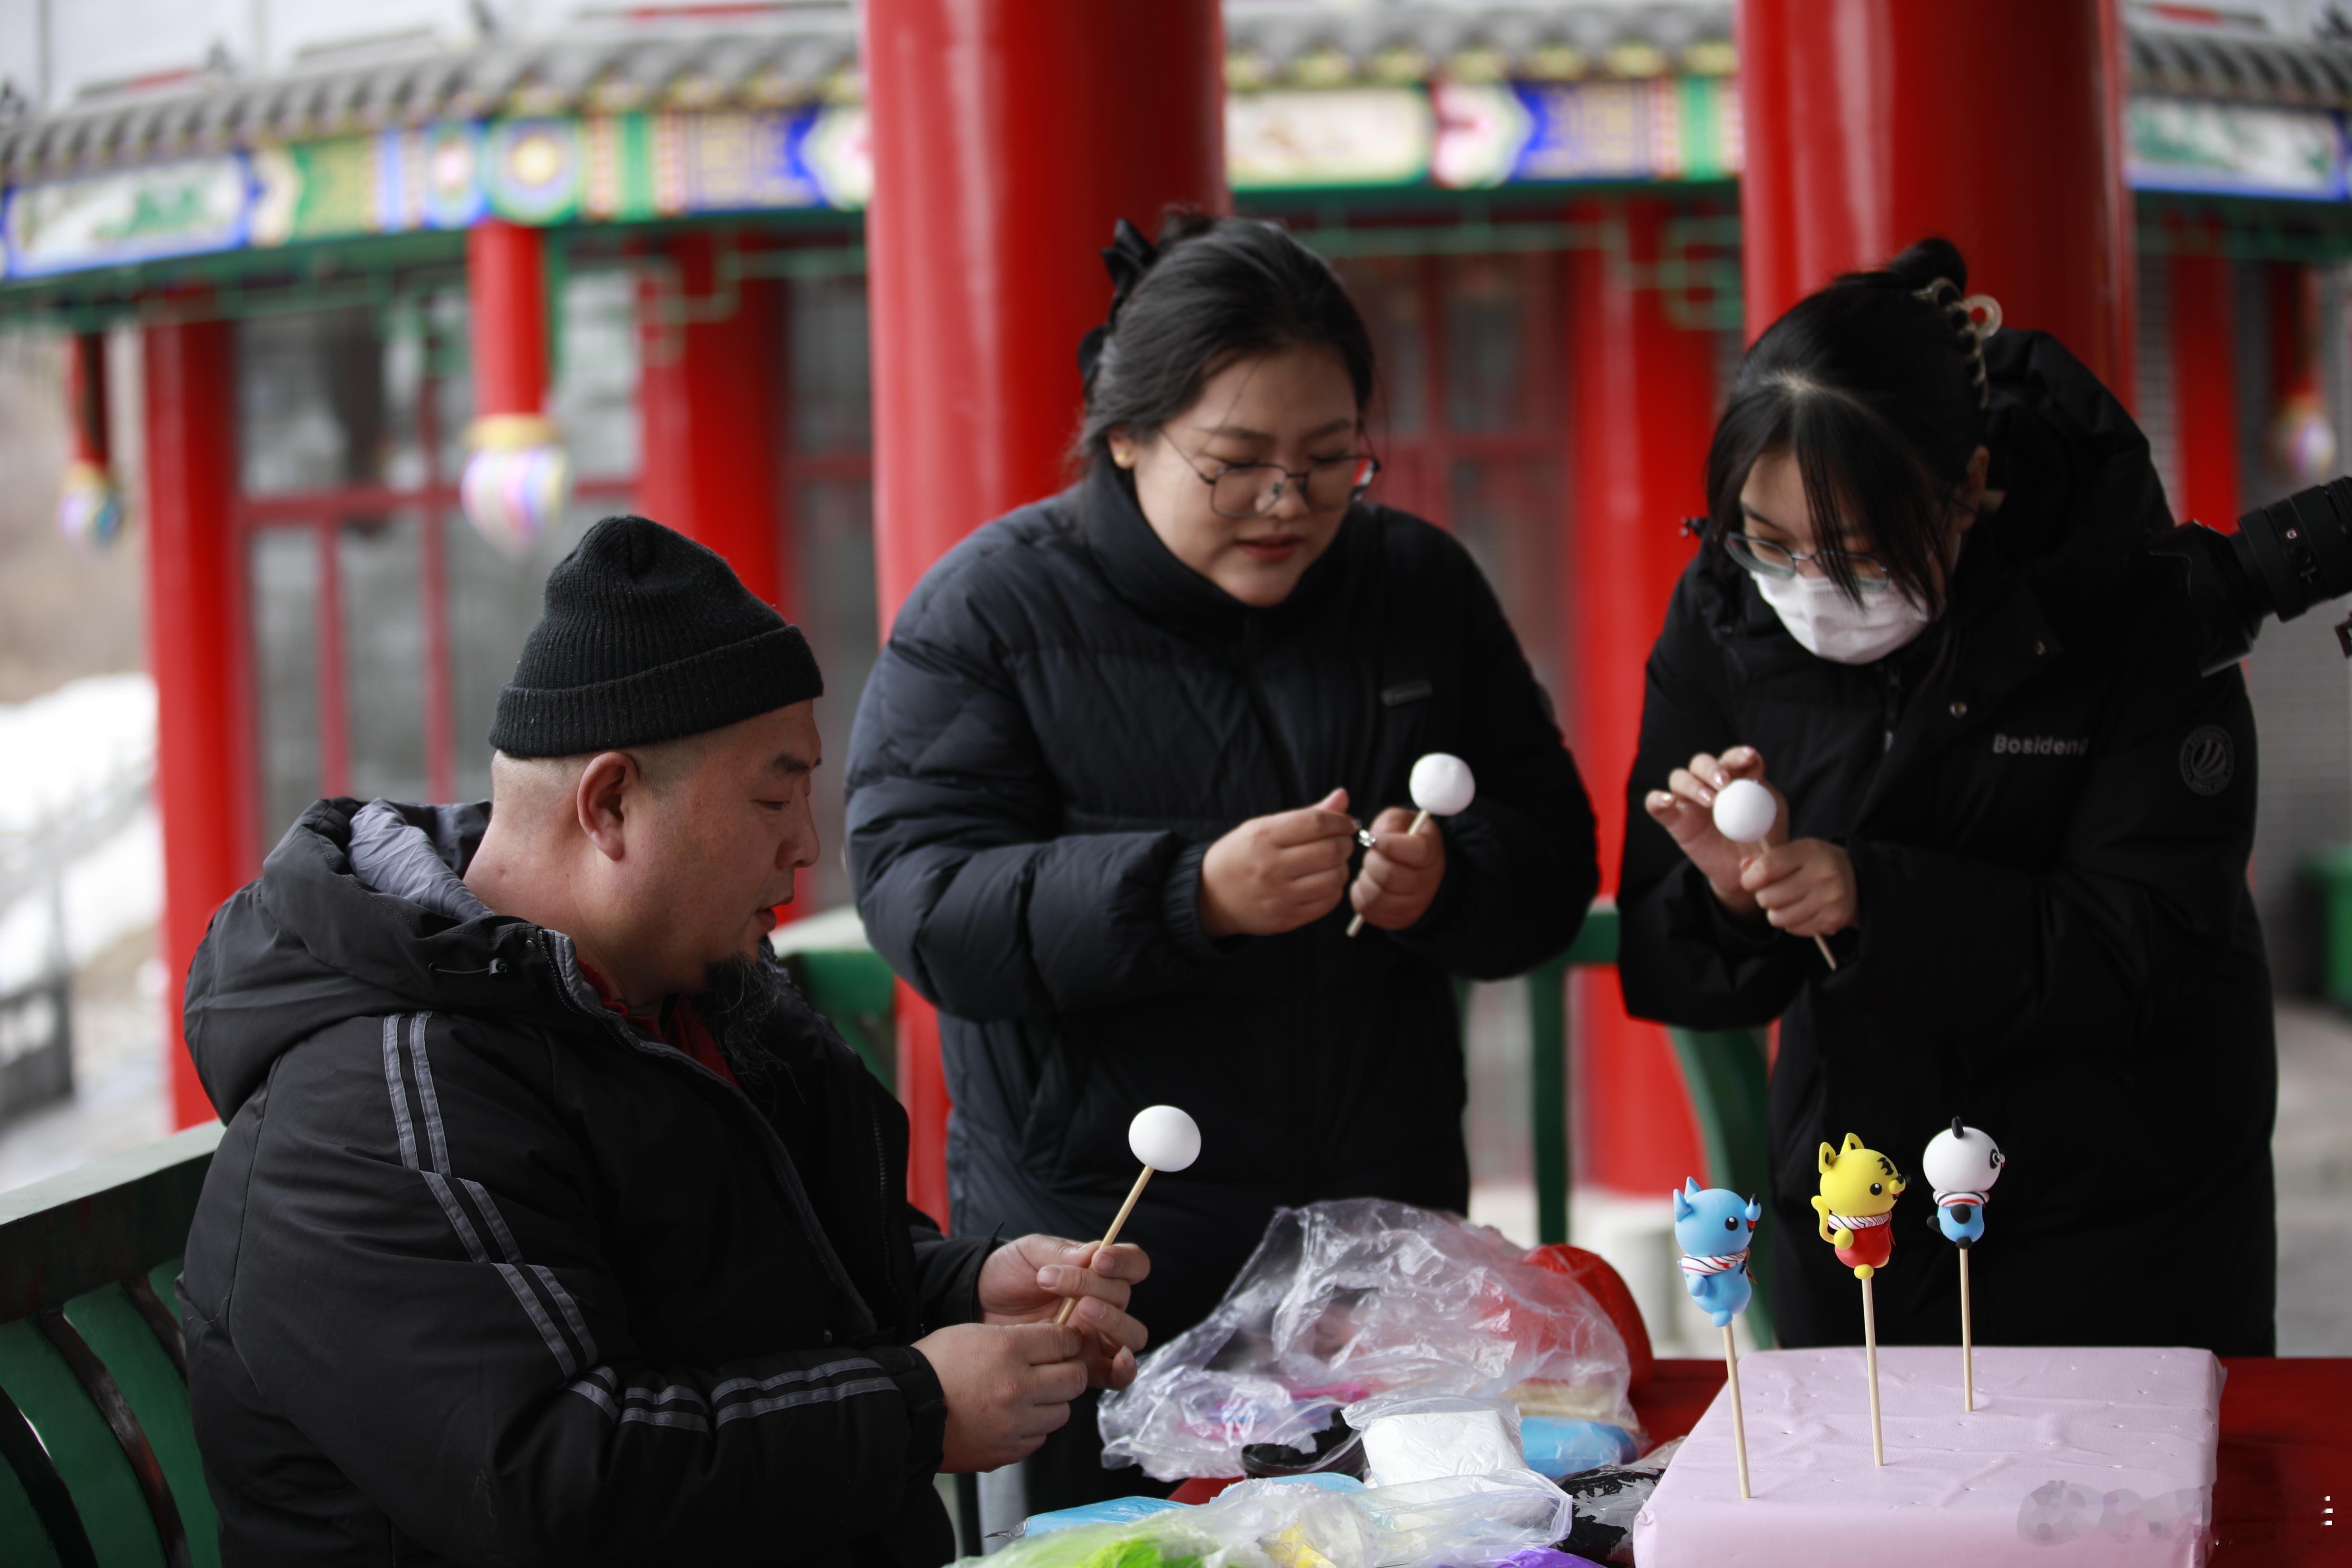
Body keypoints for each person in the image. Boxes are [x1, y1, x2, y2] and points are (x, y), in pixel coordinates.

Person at [179, 517, 1154, 1566]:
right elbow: (554, 1472)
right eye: (775, 794)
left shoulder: (682, 1000)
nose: (806, 845)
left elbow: (753, 1274)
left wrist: (964, 1288)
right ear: (609, 804)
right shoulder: (380, 1104)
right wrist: (913, 1406)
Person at [846, 214, 1601, 1505]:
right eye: (1237, 463)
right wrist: (1188, 893)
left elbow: (1552, 854)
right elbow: (924, 905)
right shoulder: (992, 609)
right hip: (1112, 1254)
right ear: (1127, 432)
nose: (1287, 503)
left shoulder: (1417, 584)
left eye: (1329, 461)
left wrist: (1450, 884)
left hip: (1377, 1252)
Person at [1617, 237, 2275, 1356]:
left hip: (2124, 1221)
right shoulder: (1728, 611)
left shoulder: (2130, 606)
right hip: (1862, 1202)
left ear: (1969, 487)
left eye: (1858, 552)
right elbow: (1678, 965)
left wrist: (1870, 893)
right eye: (1768, 542)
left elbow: (2145, 943)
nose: (1808, 591)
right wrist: (1734, 901)